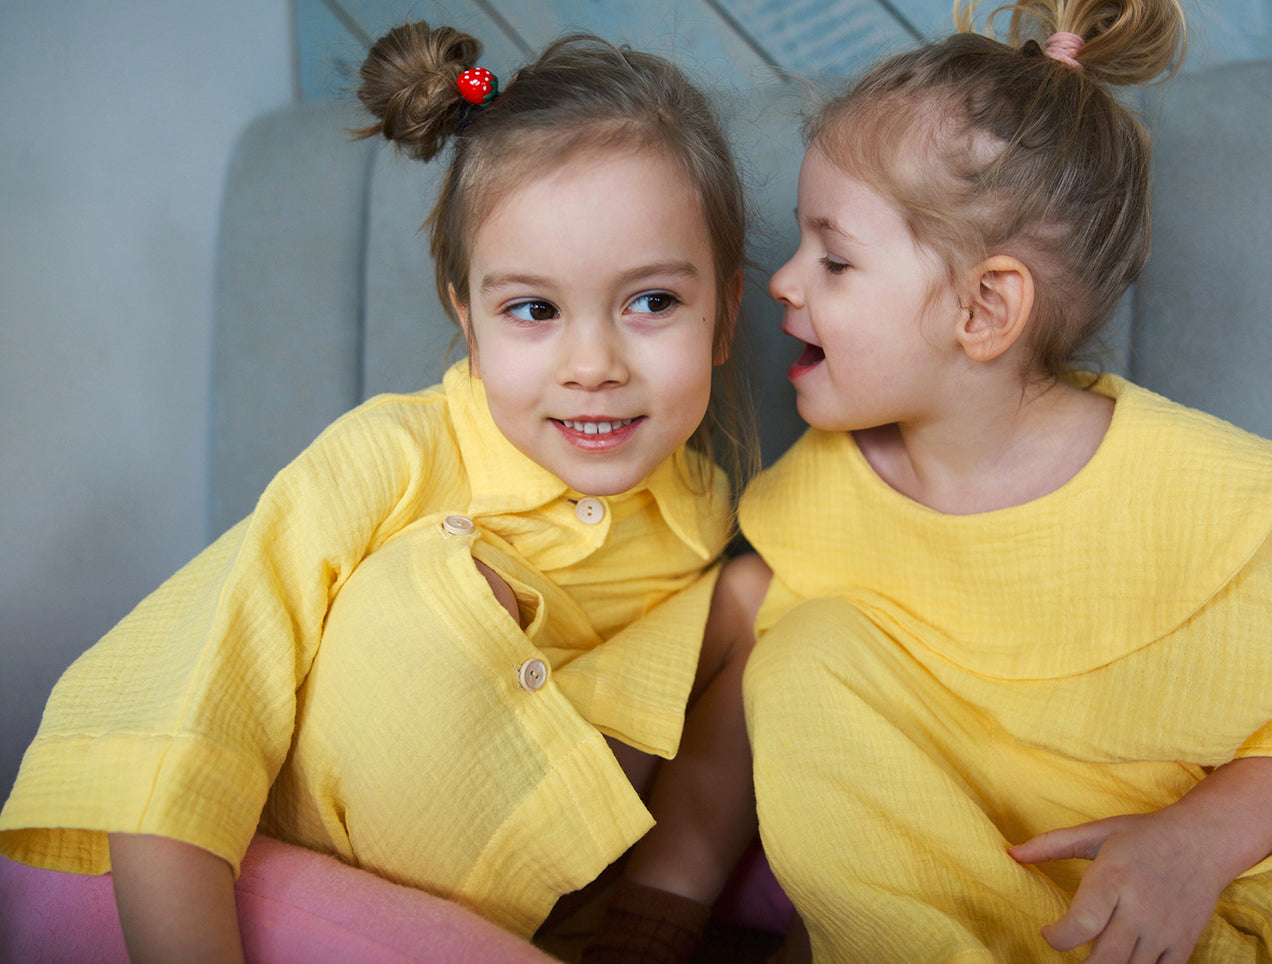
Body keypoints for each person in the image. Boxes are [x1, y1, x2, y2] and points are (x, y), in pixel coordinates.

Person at [0, 22, 762, 963]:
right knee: (439, 583)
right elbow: (185, 715)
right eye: (533, 310)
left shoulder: (697, 506)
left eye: (651, 303)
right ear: (469, 320)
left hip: (526, 896)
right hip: (211, 882)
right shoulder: (387, 456)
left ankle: (653, 918)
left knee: (764, 601)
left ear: (723, 315)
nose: (594, 366)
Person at [736, 0, 1272, 961]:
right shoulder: (822, 497)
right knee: (799, 655)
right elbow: (822, 766)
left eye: (833, 258)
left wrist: (1200, 841)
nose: (784, 282)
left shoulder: (1182, 489)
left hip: (1193, 888)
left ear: (986, 307)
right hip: (980, 899)